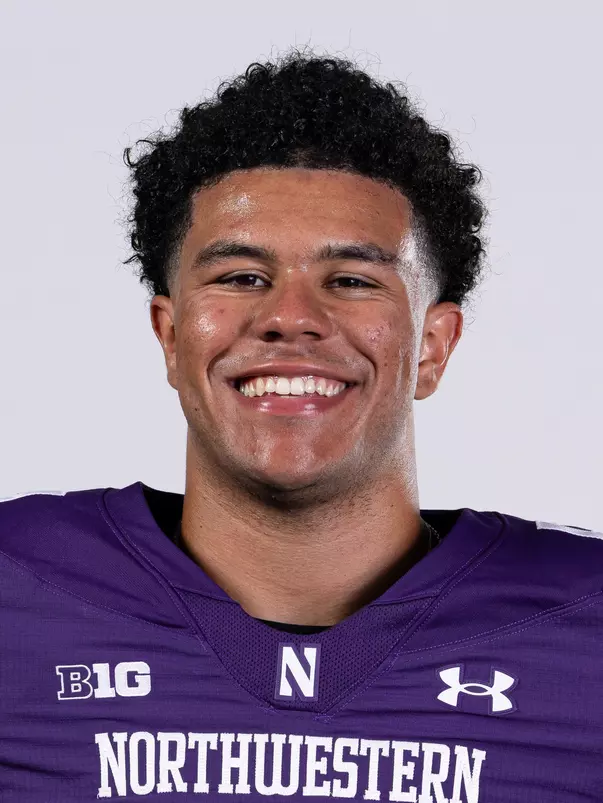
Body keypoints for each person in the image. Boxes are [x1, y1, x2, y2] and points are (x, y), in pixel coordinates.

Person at [1, 50, 601, 803]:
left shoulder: (583, 634)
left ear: (431, 347)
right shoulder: (17, 596)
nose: (290, 318)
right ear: (172, 336)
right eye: (241, 277)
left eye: (350, 281)